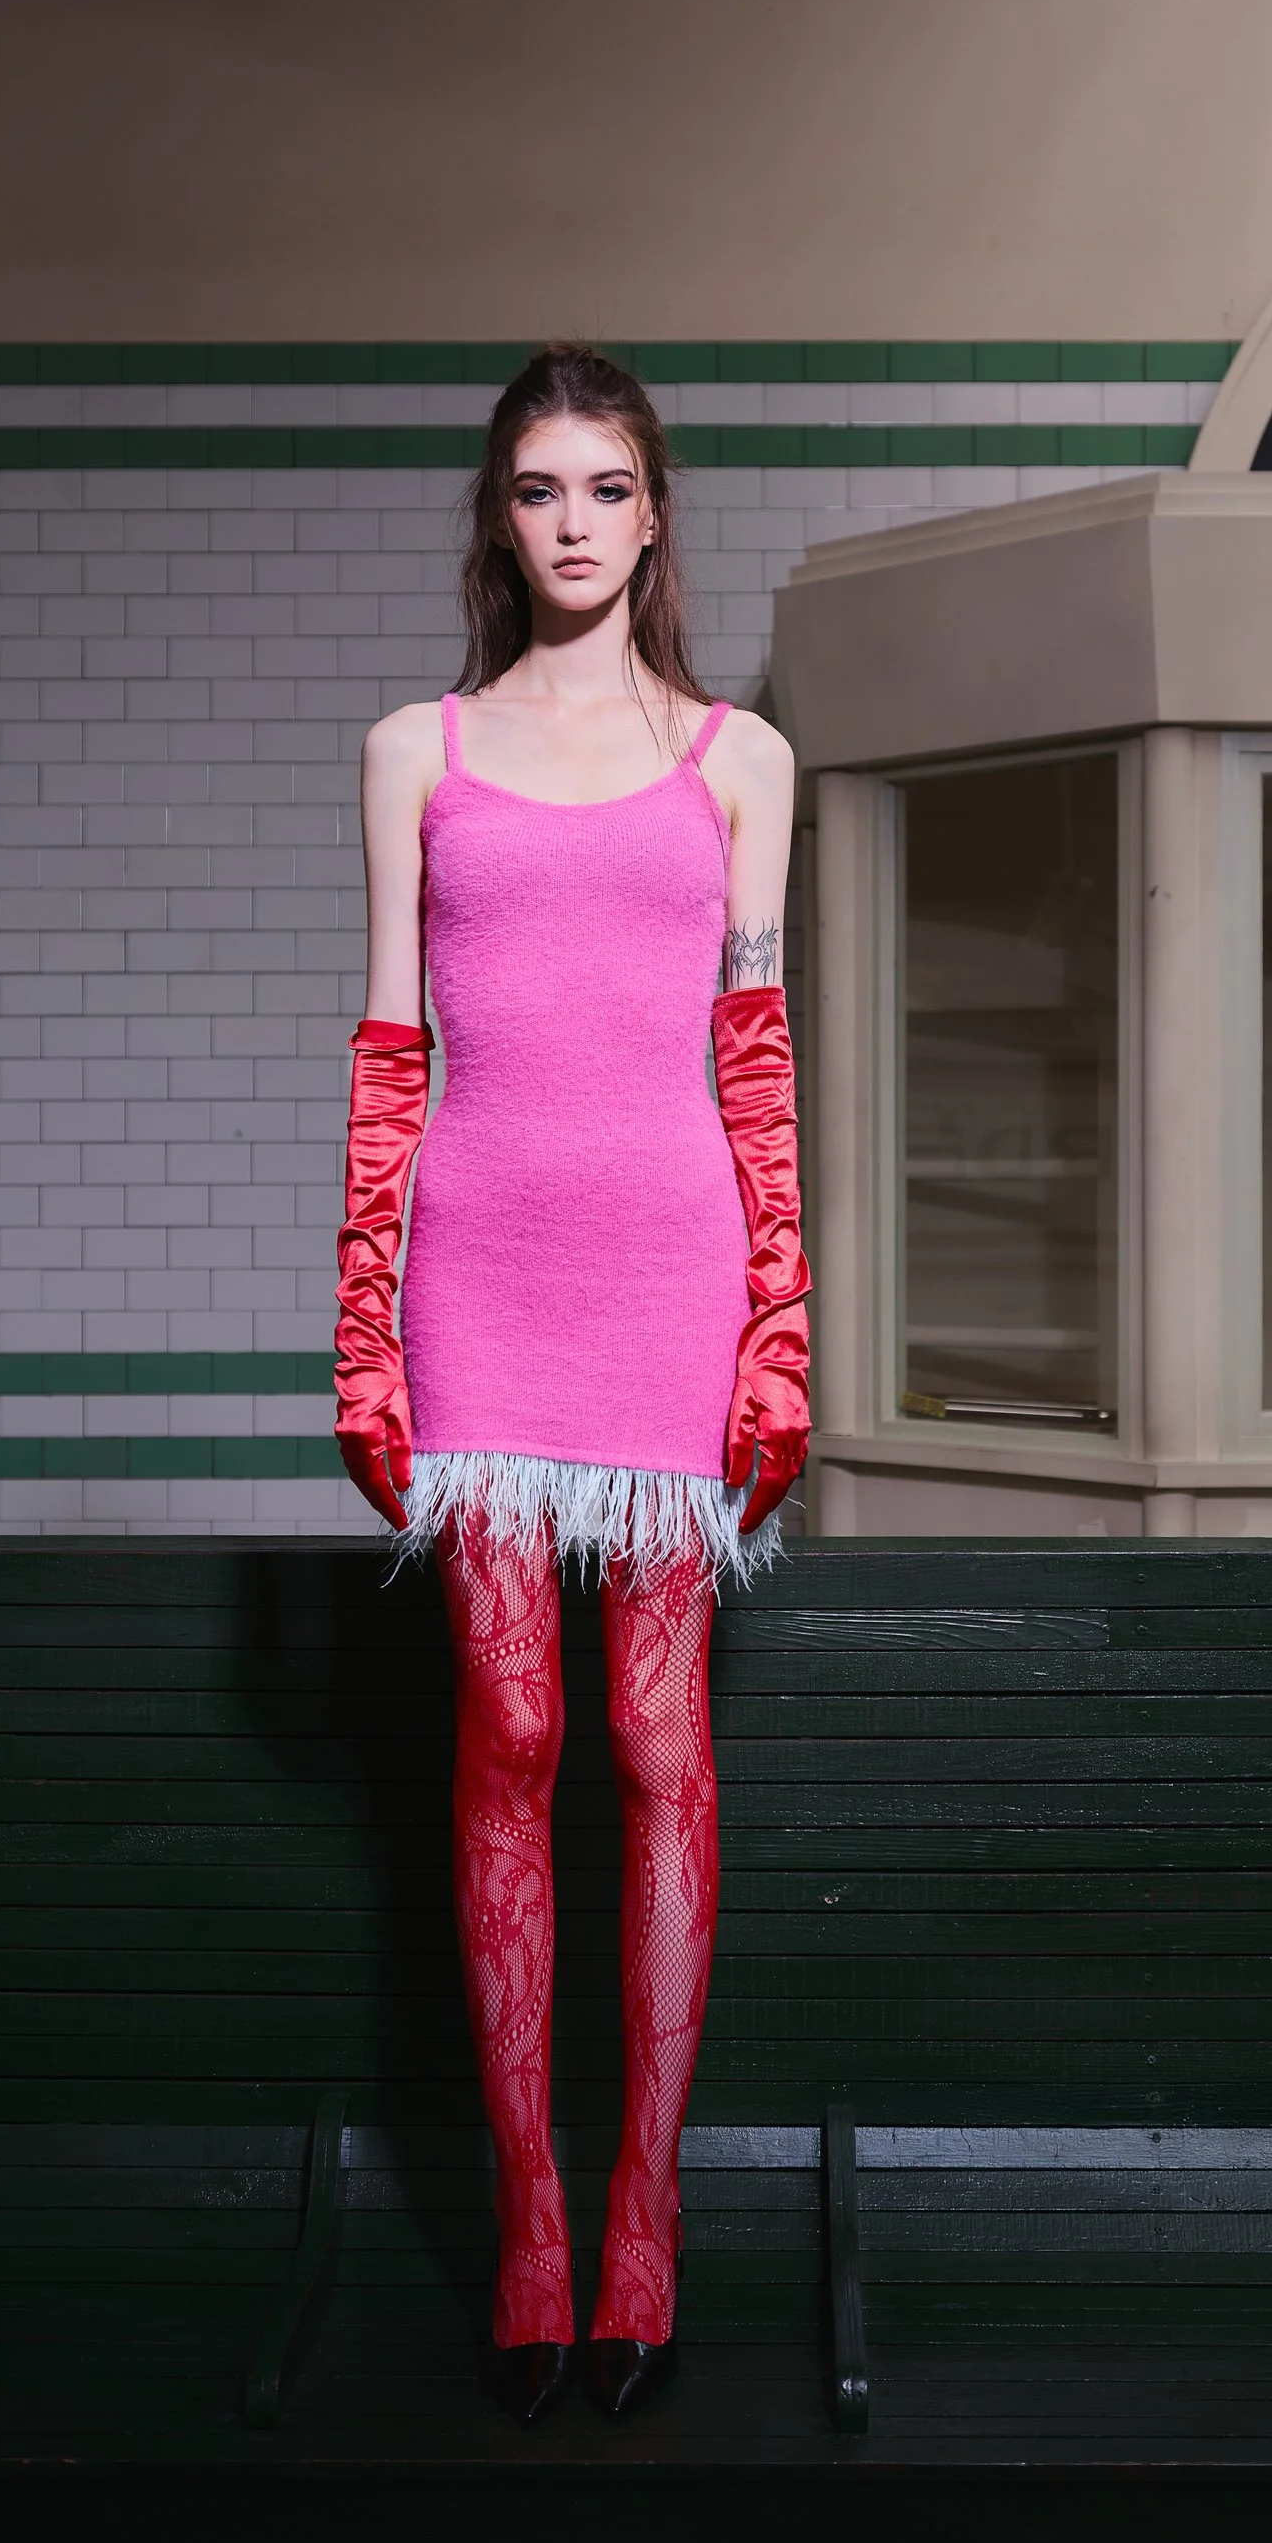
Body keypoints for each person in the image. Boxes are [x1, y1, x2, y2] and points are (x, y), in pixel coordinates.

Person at [330, 346, 811, 2428]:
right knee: (511, 1717)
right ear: (495, 515)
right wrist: (362, 1323)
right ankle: (529, 2220)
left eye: (607, 485)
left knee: (653, 1733)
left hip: (670, 1273)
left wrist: (778, 1324)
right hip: (481, 1280)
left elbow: (754, 1058)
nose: (573, 521)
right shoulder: (410, 750)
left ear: (656, 511)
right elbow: (387, 1047)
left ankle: (645, 2216)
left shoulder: (737, 757)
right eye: (537, 487)